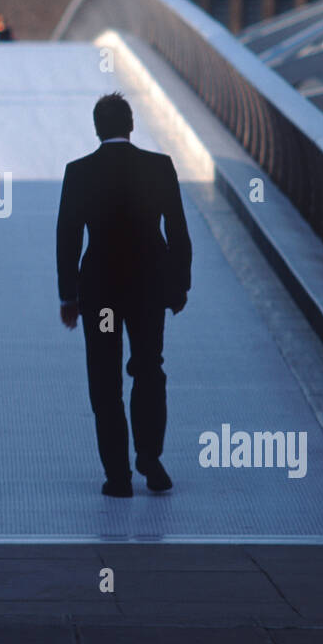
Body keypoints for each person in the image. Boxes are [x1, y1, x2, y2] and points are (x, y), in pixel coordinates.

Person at [56, 93, 193, 497]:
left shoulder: (79, 172)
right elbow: (178, 232)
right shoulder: (160, 167)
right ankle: (150, 458)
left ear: (97, 129)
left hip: (100, 293)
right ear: (131, 126)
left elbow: (67, 237)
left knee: (105, 377)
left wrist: (68, 296)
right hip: (149, 289)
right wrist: (179, 285)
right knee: (149, 368)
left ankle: (118, 476)